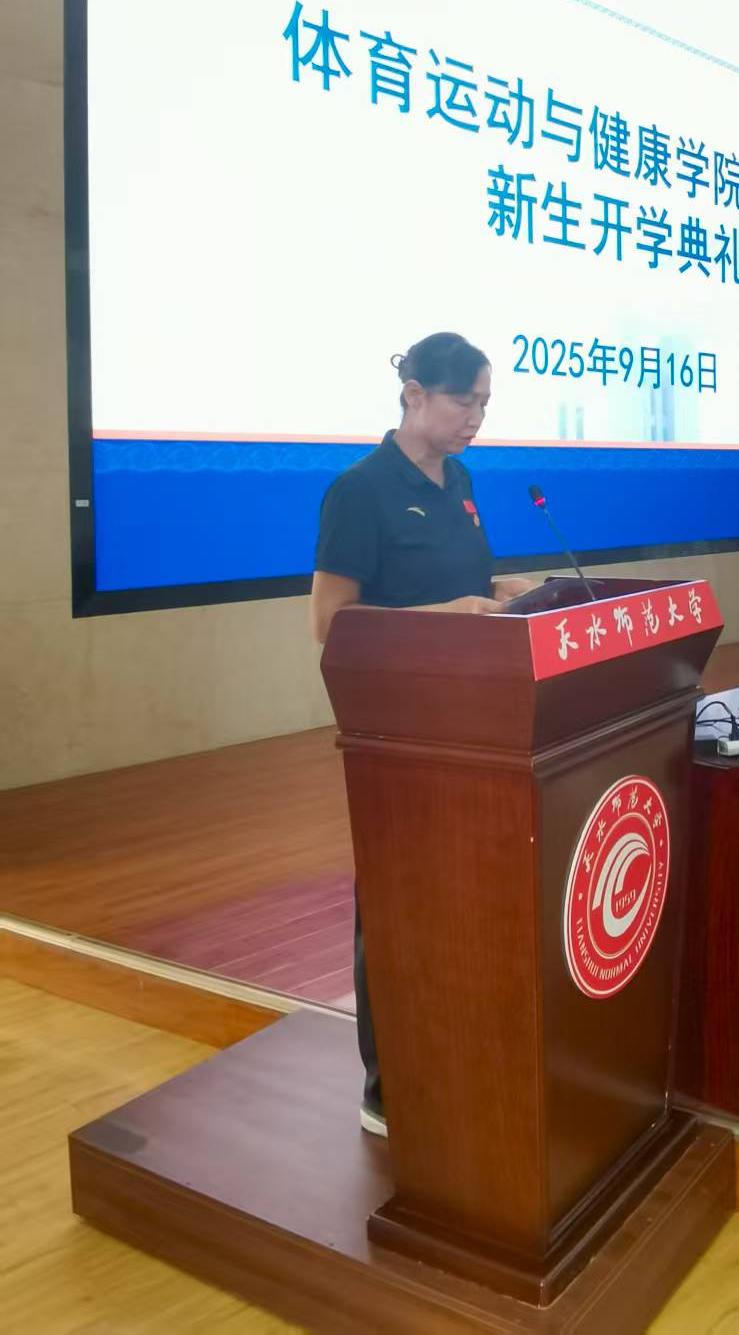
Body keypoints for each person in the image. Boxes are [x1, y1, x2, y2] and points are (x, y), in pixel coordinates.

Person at [310, 332, 538, 1138]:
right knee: (398, 901)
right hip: (399, 730)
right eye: (463, 401)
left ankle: (459, 1050)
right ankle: (390, 1083)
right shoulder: (359, 491)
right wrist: (452, 613)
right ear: (413, 394)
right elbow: (330, 622)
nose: (476, 417)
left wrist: (504, 591)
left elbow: (463, 582)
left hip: (476, 718)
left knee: (466, 894)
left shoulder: (460, 481)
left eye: (485, 404)